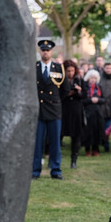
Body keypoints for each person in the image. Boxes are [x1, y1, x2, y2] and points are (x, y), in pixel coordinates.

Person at [33, 39, 69, 180]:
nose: (45, 52)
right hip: (38, 110)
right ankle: (35, 170)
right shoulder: (34, 67)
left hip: (54, 110)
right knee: (37, 143)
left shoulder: (59, 68)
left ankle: (55, 169)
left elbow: (65, 89)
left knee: (55, 142)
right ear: (40, 51)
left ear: (52, 52)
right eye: (43, 50)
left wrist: (56, 101)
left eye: (48, 50)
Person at [61, 59, 85, 169]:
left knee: (76, 136)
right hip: (63, 110)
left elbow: (85, 95)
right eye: (68, 71)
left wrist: (79, 91)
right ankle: (54, 159)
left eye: (72, 70)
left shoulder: (79, 80)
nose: (70, 73)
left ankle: (74, 160)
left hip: (76, 110)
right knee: (59, 134)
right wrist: (69, 92)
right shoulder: (60, 80)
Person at [81, 69, 105, 156]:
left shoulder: (99, 87)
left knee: (96, 132)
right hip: (88, 113)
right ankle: (87, 150)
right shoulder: (85, 87)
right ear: (88, 78)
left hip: (97, 113)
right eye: (91, 78)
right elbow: (82, 100)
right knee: (88, 132)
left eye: (95, 78)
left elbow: (104, 99)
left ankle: (96, 149)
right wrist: (90, 100)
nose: (93, 80)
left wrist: (98, 100)